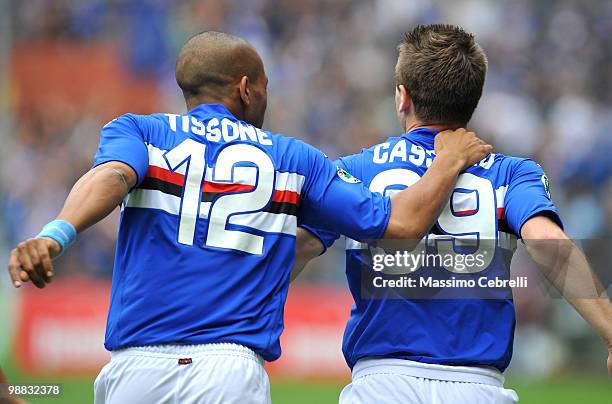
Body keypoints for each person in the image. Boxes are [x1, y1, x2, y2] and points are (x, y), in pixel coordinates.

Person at [6, 31, 491, 404]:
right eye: (264, 84)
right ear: (244, 88)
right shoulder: (294, 159)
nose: (265, 94)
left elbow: (111, 177)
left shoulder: (139, 130)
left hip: (135, 370)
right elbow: (401, 225)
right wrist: (448, 161)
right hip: (229, 371)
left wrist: (56, 233)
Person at [296, 24, 612, 403]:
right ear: (472, 100)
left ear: (402, 98)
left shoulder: (358, 170)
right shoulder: (510, 172)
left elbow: (299, 246)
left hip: (381, 384)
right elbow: (546, 242)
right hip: (477, 386)